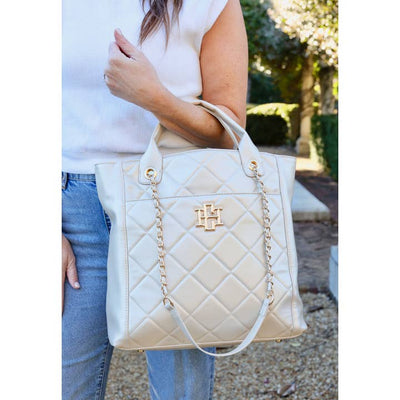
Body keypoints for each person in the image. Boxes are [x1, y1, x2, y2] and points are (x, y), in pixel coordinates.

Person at [62, 0, 248, 398]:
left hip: (175, 209)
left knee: (183, 391)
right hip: (71, 217)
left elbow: (230, 129)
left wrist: (154, 97)